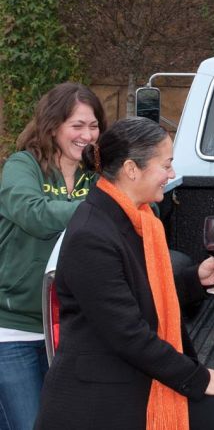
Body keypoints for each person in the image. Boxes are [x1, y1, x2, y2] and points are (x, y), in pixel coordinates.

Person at [34, 117, 214, 430]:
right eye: (166, 165)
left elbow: (139, 292)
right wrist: (197, 378)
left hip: (136, 373)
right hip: (106, 394)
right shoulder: (92, 235)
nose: (171, 175)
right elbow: (128, 333)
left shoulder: (139, 218)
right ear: (132, 169)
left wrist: (192, 280)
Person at [0, 83, 106, 430]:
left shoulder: (96, 176)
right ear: (53, 126)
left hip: (72, 329)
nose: (87, 135)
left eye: (93, 126)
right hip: (14, 327)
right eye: (77, 125)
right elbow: (33, 213)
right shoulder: (23, 165)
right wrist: (98, 210)